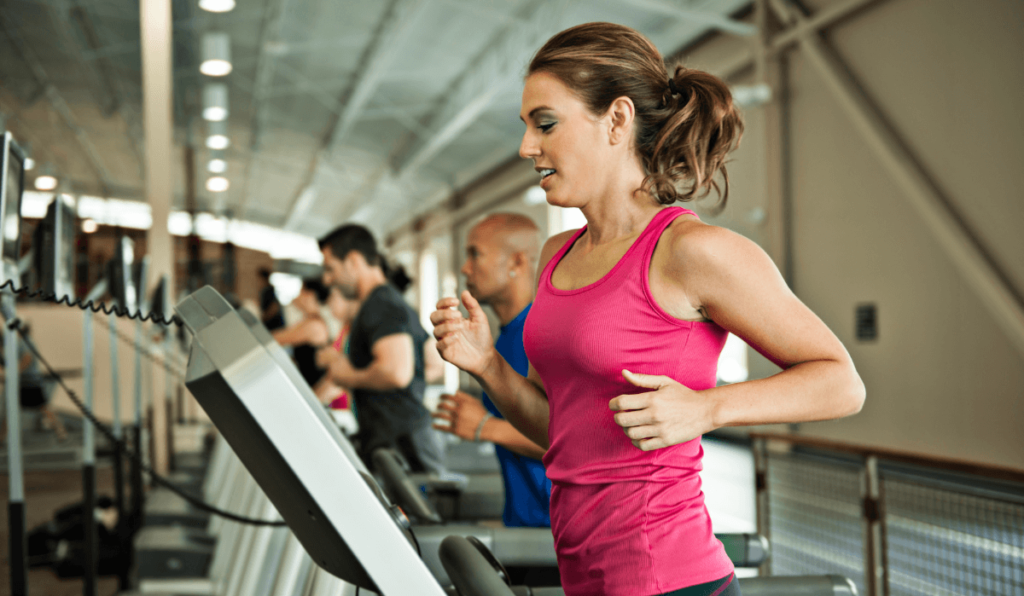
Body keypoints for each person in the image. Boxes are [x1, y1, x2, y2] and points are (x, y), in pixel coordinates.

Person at [430, 22, 866, 596]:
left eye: (546, 124)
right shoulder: (556, 253)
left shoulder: (692, 252)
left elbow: (842, 384)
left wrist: (707, 410)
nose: (526, 148)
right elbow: (559, 430)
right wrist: (488, 366)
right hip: (584, 575)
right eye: (527, 126)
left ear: (616, 120)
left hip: (668, 579)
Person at [431, 213, 552, 529]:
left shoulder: (540, 335)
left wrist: (485, 426)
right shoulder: (504, 337)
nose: (464, 268)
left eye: (475, 254)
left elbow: (569, 440)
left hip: (551, 528)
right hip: (522, 521)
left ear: (516, 262)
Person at [319, 224, 446, 474]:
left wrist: (348, 376)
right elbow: (432, 362)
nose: (327, 279)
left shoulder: (381, 304)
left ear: (353, 260)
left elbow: (396, 373)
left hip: (403, 443)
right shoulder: (386, 301)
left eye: (330, 268)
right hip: (403, 436)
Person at [272, 278, 331, 388]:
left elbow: (276, 339)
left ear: (310, 295)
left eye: (301, 291)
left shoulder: (314, 326)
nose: (297, 296)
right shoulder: (309, 320)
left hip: (315, 389)